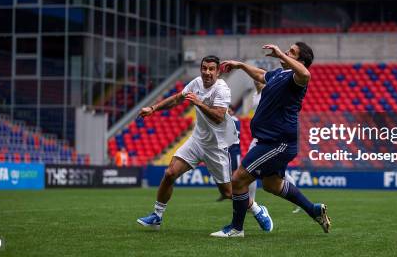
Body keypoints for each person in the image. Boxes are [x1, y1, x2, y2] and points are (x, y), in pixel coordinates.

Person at [136, 55, 273, 232]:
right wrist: (152, 108)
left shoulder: (222, 89)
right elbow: (178, 98)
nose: (206, 72)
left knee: (228, 193)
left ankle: (256, 209)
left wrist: (199, 103)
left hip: (217, 147)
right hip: (197, 141)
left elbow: (218, 117)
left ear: (217, 72)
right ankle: (157, 216)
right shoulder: (196, 83)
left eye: (211, 69)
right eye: (204, 68)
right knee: (170, 173)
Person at [211, 42, 331, 238]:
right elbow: (260, 75)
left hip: (278, 143)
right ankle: (313, 210)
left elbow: (306, 74)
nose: (286, 52)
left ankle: (236, 229)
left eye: (291, 52)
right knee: (272, 185)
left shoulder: (297, 79)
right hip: (270, 140)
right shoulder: (281, 74)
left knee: (238, 179)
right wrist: (241, 65)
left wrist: (281, 56)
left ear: (300, 61)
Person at [247, 77, 301, 213]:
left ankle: (297, 199)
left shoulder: (269, 93)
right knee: (248, 169)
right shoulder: (255, 95)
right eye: (255, 81)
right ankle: (251, 201)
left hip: (271, 137)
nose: (257, 82)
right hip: (259, 137)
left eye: (258, 80)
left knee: (278, 175)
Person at [216, 106, 241, 202]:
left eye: (229, 111)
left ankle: (235, 193)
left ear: (233, 112)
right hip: (227, 149)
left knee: (235, 172)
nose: (228, 112)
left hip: (234, 149)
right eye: (227, 111)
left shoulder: (234, 120)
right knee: (226, 172)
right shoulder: (226, 120)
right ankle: (226, 193)